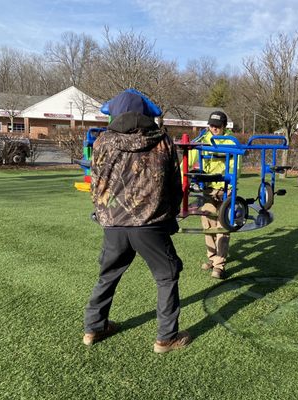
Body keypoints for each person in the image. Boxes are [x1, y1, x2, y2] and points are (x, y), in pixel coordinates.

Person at [83, 90, 191, 354]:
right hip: (151, 223)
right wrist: (170, 214)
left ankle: (93, 328)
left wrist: (102, 214)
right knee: (167, 275)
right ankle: (166, 338)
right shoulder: (162, 140)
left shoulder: (102, 142)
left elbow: (95, 185)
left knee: (108, 275)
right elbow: (174, 185)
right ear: (145, 114)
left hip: (113, 224)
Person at [189, 111, 240, 280]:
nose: (214, 128)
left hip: (225, 188)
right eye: (211, 125)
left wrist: (231, 184)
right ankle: (212, 258)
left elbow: (235, 165)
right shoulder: (203, 139)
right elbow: (190, 156)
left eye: (217, 126)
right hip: (208, 187)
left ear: (224, 126)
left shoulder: (231, 141)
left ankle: (219, 266)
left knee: (223, 227)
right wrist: (180, 172)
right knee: (208, 226)